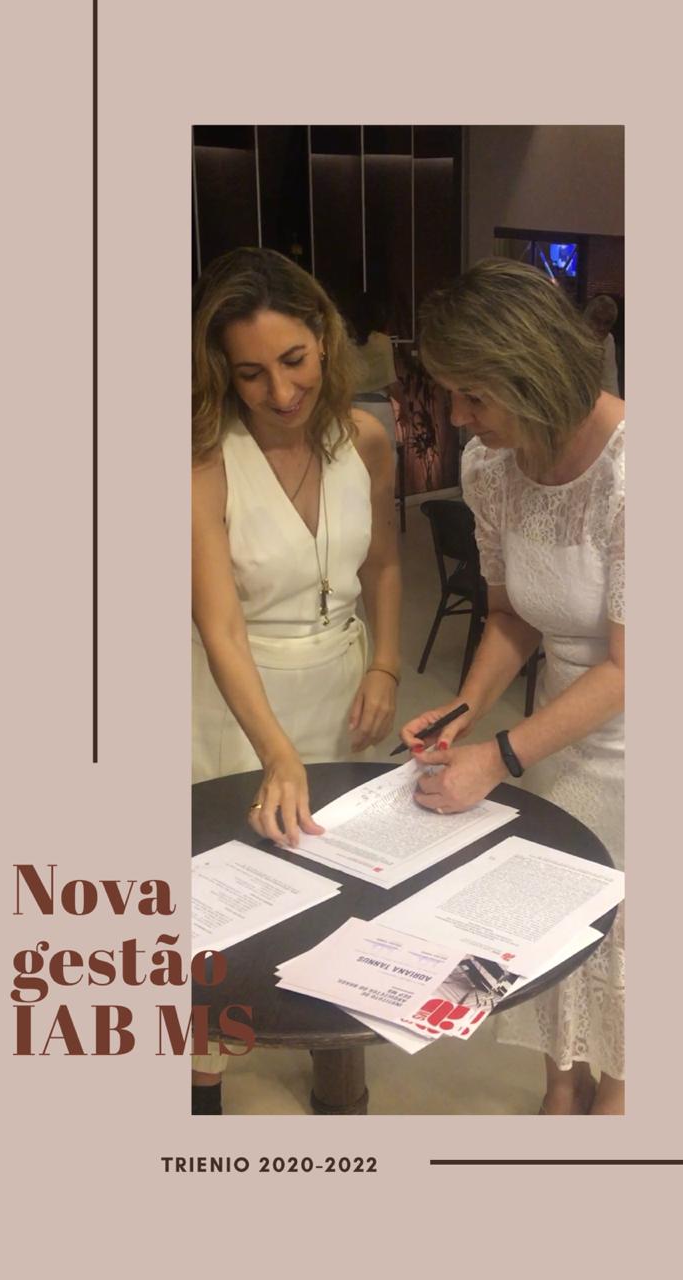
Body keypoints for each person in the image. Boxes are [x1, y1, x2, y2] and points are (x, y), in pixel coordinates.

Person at [400, 258, 624, 1116]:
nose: (458, 416)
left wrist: (496, 757)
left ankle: (621, 1100)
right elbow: (511, 617)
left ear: (532, 372)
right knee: (555, 918)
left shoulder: (639, 471)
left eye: (473, 394)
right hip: (557, 733)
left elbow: (631, 667)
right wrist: (463, 710)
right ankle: (561, 1085)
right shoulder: (495, 467)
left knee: (630, 937)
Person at [191, 246, 401, 1112]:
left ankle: (337, 1066)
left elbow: (384, 562)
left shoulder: (366, 439)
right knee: (230, 902)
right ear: (222, 373)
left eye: (294, 361)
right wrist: (275, 752)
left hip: (342, 683)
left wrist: (385, 662)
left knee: (340, 885)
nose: (280, 392)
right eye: (251, 374)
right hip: (239, 702)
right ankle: (200, 1085)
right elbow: (218, 624)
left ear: (325, 337)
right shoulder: (204, 459)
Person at [584, 293, 620, 396]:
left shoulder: (608, 340)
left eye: (607, 323)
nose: (601, 327)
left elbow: (610, 380)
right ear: (587, 318)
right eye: (597, 320)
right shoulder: (575, 335)